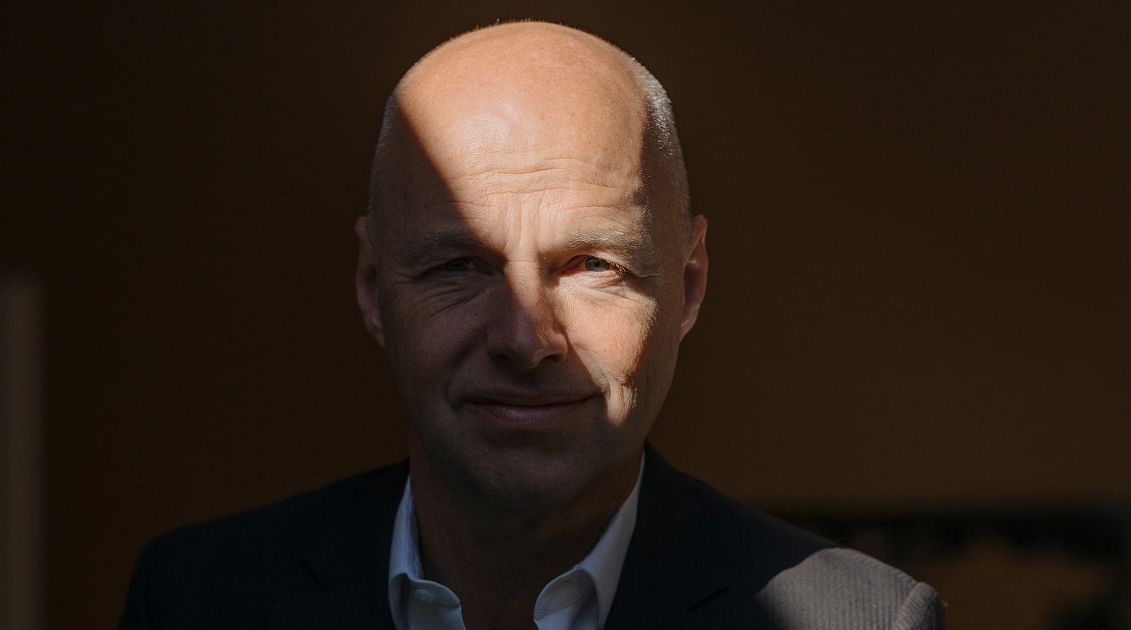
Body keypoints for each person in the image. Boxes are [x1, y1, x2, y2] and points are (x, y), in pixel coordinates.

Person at [119, 21, 944, 630]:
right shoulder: (198, 601)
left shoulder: (859, 624)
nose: (524, 338)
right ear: (373, 288)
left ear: (688, 285)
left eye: (592, 266)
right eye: (459, 268)